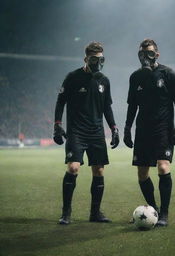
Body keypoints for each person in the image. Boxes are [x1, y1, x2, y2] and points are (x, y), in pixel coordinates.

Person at [53, 41, 119, 225]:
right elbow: (61, 101)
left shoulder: (104, 80)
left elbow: (107, 107)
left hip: (97, 132)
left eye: (101, 59)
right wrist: (57, 124)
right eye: (94, 59)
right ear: (86, 58)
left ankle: (95, 212)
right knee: (73, 168)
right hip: (77, 132)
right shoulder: (72, 77)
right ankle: (66, 212)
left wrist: (114, 128)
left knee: (98, 170)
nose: (98, 62)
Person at [124, 39, 175, 227]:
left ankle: (164, 213)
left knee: (163, 167)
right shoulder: (135, 77)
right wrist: (127, 129)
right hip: (142, 130)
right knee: (142, 174)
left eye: (149, 53)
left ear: (157, 55)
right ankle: (153, 209)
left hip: (163, 130)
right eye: (142, 54)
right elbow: (132, 105)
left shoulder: (168, 74)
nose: (145, 57)